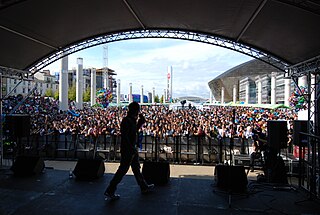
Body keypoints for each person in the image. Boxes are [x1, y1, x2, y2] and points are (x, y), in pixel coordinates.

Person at [104, 102, 154, 200]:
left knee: (136, 168)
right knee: (122, 170)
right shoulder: (126, 121)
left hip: (132, 149)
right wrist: (131, 148)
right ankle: (110, 190)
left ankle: (144, 187)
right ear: (135, 110)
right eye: (138, 110)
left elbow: (134, 131)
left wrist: (140, 122)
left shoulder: (131, 120)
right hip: (128, 150)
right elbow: (125, 136)